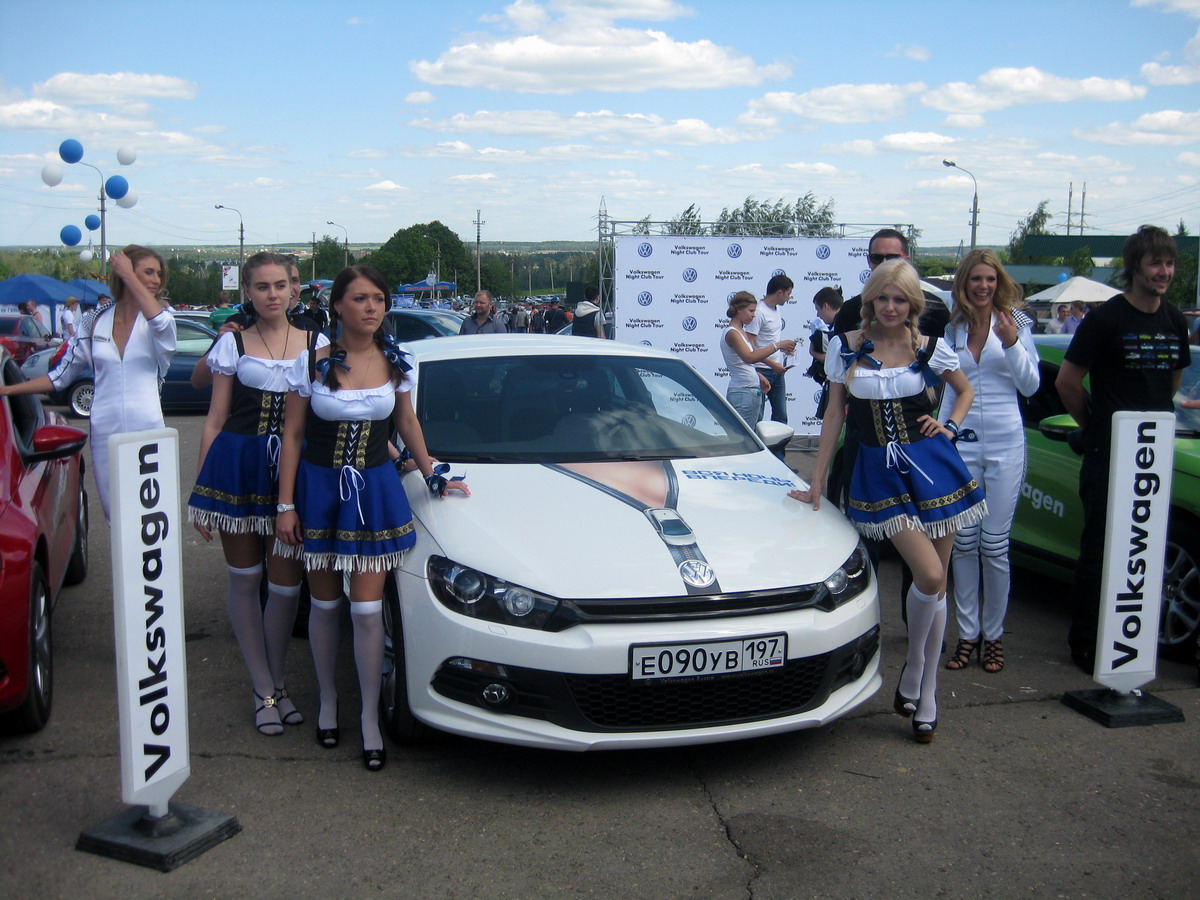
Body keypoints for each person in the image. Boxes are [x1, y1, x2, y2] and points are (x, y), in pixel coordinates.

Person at [274, 265, 469, 771]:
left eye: (378, 299)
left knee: (364, 612)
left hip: (376, 492)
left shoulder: (397, 361)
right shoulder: (310, 363)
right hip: (320, 491)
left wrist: (433, 474)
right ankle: (327, 702)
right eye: (360, 298)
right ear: (338, 305)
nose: (371, 307)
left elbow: (406, 421)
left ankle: (367, 716)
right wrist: (285, 504)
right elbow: (292, 435)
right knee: (323, 606)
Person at [789, 259, 985, 743]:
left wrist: (950, 426)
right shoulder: (847, 345)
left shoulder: (929, 346)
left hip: (935, 468)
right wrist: (817, 481)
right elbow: (835, 414)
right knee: (930, 575)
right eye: (883, 298)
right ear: (871, 300)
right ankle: (916, 666)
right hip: (878, 473)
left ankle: (924, 686)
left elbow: (964, 391)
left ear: (911, 303)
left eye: (900, 299)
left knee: (936, 586)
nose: (891, 307)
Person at [187, 252, 323, 737]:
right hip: (239, 468)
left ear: (293, 289)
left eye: (279, 285)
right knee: (245, 580)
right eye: (262, 286)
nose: (272, 294)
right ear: (247, 292)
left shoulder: (318, 344)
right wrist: (201, 490)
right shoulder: (233, 342)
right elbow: (215, 419)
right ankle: (263, 688)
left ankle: (277, 682)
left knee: (286, 586)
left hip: (293, 473)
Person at [1056, 225, 1190, 674]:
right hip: (1108, 457)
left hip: (1153, 458)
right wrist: (1098, 427)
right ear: (1134, 267)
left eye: (1169, 263)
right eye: (1155, 263)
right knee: (1100, 550)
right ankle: (1087, 643)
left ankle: (1133, 641)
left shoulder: (1175, 321)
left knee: (1145, 549)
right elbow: (1067, 382)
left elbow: (1171, 383)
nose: (1164, 272)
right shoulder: (1106, 319)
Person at [0, 246, 175, 521]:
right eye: (149, 272)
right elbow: (60, 377)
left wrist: (129, 276)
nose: (156, 280)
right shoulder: (95, 320)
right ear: (123, 274)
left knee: (149, 514)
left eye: (159, 274)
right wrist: (8, 389)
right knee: (116, 515)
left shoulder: (160, 320)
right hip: (105, 429)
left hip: (148, 426)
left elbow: (161, 324)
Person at [940, 249, 1040, 674]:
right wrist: (945, 431)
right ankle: (968, 634)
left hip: (1005, 443)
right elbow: (951, 387)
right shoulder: (954, 328)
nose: (983, 286)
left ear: (999, 282)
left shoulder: (1016, 323)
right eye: (976, 279)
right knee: (963, 543)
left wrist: (1012, 342)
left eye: (990, 279)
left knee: (994, 545)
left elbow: (1031, 385)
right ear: (964, 283)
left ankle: (994, 635)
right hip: (964, 445)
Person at [721, 291, 793, 429]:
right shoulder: (732, 333)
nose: (754, 315)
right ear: (739, 310)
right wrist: (777, 345)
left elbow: (741, 362)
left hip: (748, 390)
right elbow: (749, 357)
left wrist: (757, 375)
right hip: (743, 391)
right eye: (751, 311)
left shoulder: (740, 331)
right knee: (744, 437)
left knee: (749, 435)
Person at [745, 274, 797, 424]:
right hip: (761, 369)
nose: (789, 298)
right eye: (788, 294)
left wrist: (783, 349)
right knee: (757, 416)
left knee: (781, 416)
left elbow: (768, 341)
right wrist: (772, 363)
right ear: (779, 292)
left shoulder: (776, 309)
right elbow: (750, 345)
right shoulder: (759, 312)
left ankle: (779, 441)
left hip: (777, 369)